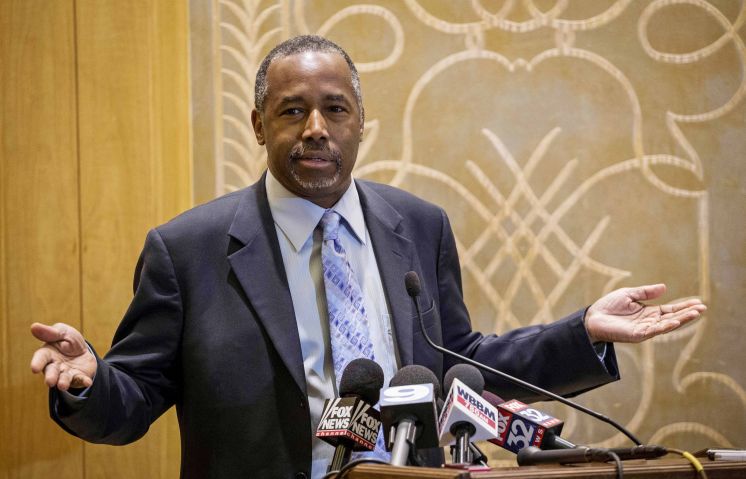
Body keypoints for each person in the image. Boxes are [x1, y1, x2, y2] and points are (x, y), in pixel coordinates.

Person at [30, 36, 705, 479]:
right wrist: (89, 381)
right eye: (292, 110)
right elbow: (135, 398)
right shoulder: (188, 250)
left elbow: (459, 365)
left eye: (334, 108)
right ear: (260, 124)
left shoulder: (418, 226)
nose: (316, 128)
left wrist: (580, 330)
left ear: (360, 122)